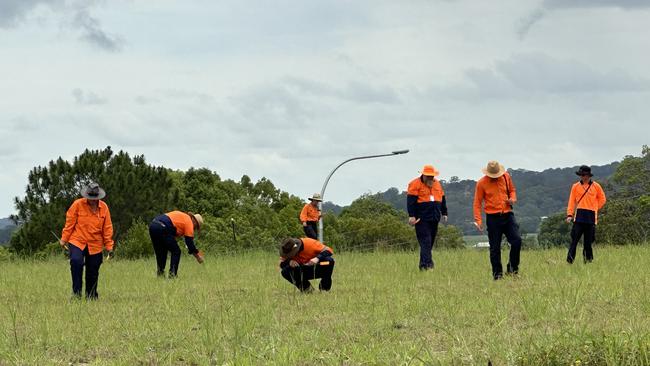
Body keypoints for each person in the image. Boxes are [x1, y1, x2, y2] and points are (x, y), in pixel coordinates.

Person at [60, 182, 114, 299]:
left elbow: (107, 228)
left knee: (93, 269)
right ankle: (76, 294)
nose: (93, 200)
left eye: (95, 198)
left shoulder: (104, 208)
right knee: (76, 261)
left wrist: (109, 247)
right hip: (77, 240)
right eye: (90, 198)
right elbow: (69, 223)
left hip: (95, 243)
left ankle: (91, 296)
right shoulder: (77, 204)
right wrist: (64, 239)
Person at [473, 161, 522, 280]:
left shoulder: (506, 176)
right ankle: (497, 275)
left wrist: (512, 199)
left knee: (517, 241)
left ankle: (512, 270)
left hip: (508, 214)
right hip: (493, 218)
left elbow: (512, 190)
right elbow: (477, 203)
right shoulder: (481, 183)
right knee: (495, 248)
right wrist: (478, 220)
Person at [407, 165, 448, 270]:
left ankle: (423, 266)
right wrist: (411, 216)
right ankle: (429, 266)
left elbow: (442, 199)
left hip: (434, 218)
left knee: (429, 244)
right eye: (428, 176)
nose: (430, 178)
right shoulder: (414, 184)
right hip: (421, 219)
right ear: (423, 175)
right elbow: (410, 202)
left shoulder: (438, 184)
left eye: (432, 176)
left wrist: (444, 213)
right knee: (426, 242)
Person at [565, 165, 607, 264]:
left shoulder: (596, 186)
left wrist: (595, 208)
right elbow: (571, 201)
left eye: (585, 175)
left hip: (591, 217)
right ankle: (569, 261)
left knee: (588, 243)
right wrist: (569, 215)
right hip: (579, 217)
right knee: (574, 241)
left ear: (589, 175)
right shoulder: (575, 186)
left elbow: (602, 199)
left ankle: (588, 261)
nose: (584, 177)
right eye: (582, 175)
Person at [149, 211, 205, 277]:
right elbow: (190, 243)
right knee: (176, 251)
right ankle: (172, 274)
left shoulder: (183, 217)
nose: (194, 228)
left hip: (153, 225)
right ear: (194, 221)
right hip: (163, 227)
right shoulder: (189, 222)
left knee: (161, 251)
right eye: (196, 226)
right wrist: (198, 256)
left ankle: (160, 274)